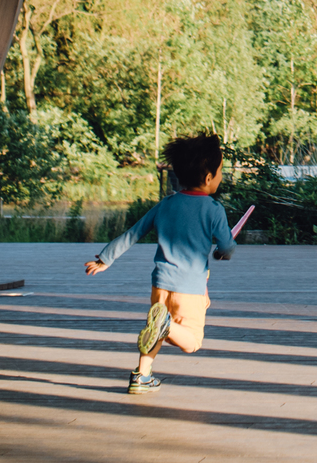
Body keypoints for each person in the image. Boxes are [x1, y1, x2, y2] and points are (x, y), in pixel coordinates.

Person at [85, 131, 236, 394]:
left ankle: (142, 376)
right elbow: (226, 247)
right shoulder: (214, 209)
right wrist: (224, 251)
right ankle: (165, 325)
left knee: (154, 329)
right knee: (191, 341)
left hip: (161, 284)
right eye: (221, 171)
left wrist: (105, 258)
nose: (221, 177)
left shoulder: (166, 204)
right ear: (209, 177)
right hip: (189, 286)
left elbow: (134, 232)